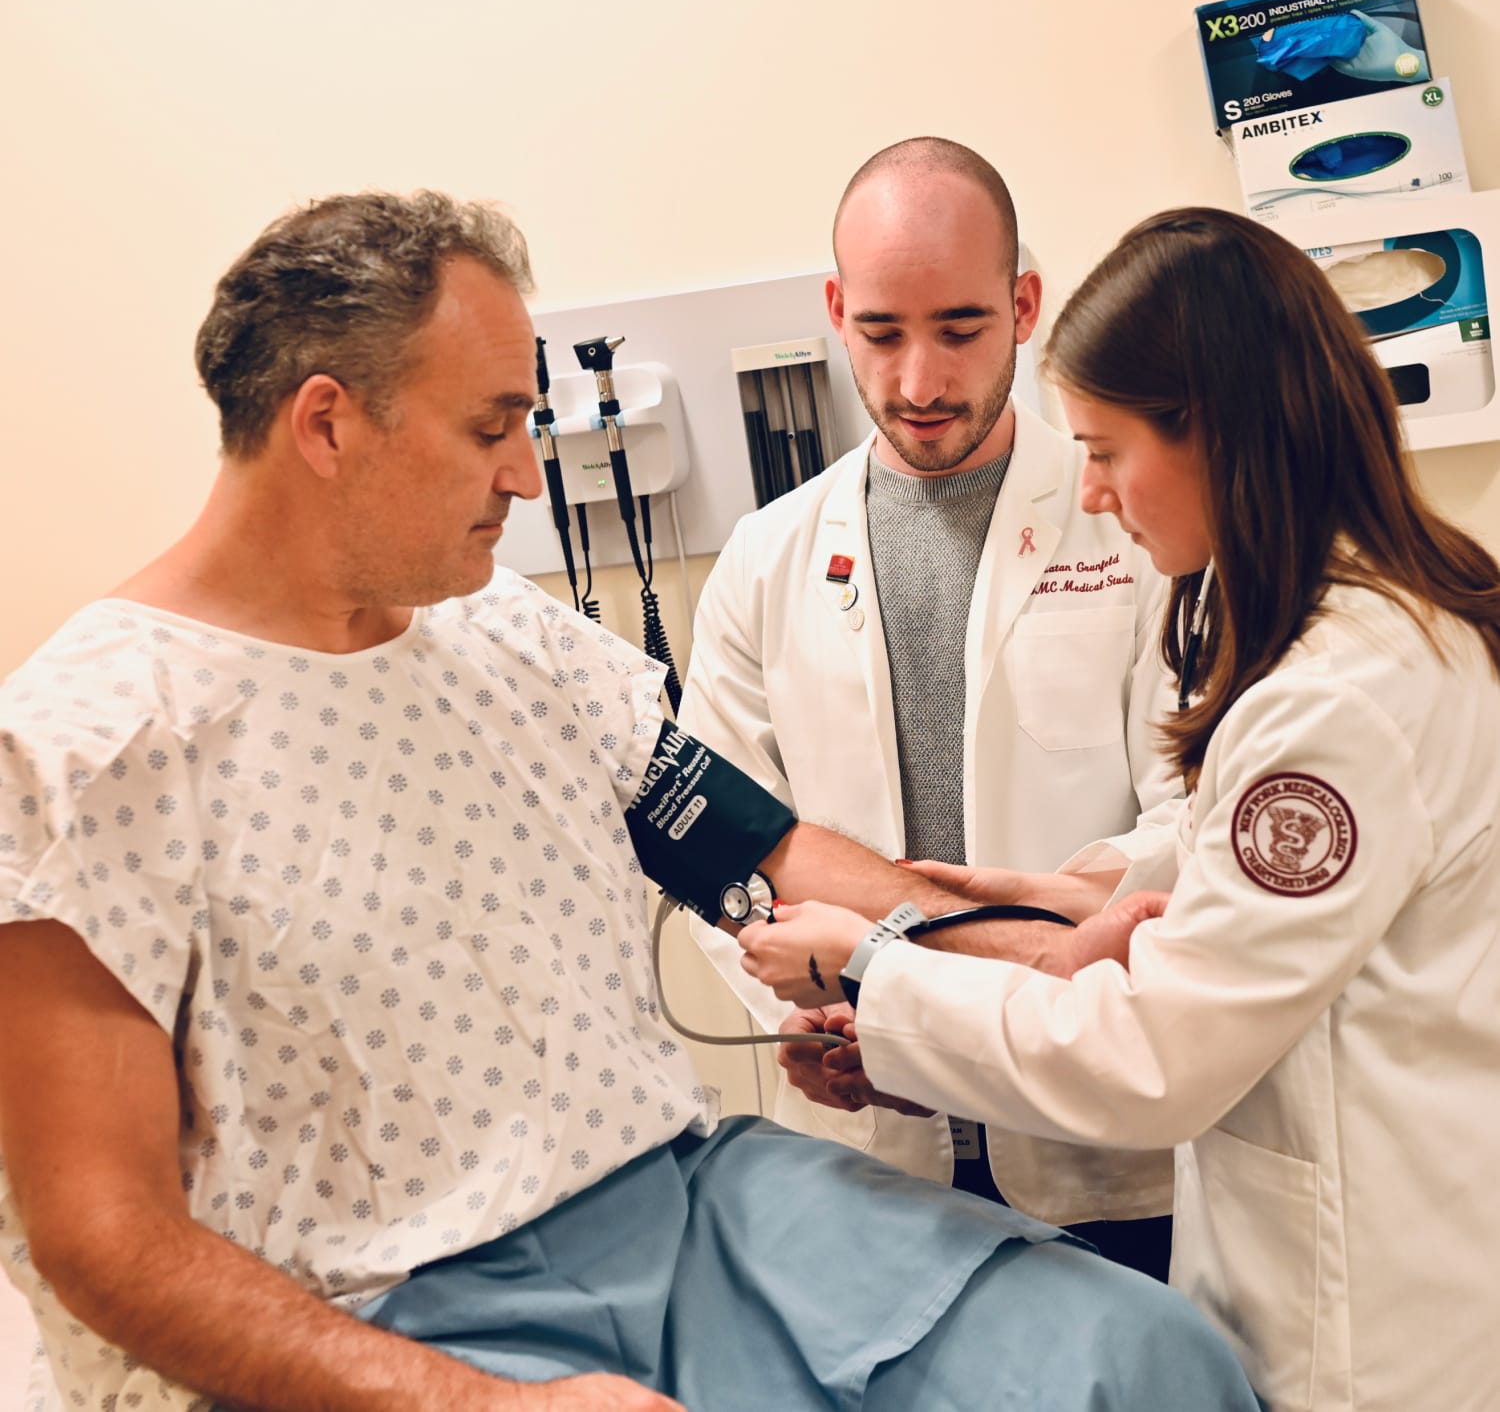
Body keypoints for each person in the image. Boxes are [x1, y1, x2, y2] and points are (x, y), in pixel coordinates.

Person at [0, 191, 1261, 1412]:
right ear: (328, 425)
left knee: (1134, 1361)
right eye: (491, 429)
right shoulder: (89, 752)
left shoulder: (511, 642)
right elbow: (103, 1239)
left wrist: (1048, 953)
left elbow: (758, 857)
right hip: (388, 1304)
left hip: (696, 1203)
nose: (525, 480)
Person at [739, 205, 1500, 1412]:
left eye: (1106, 449)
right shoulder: (1390, 620)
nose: (1090, 493)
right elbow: (1257, 893)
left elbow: (1156, 1058)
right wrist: (1073, 893)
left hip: (1371, 1329)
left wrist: (879, 965)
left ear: (1222, 436)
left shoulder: (1336, 701)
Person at [679, 137, 1179, 1275]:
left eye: (960, 330)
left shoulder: (1136, 525)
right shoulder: (765, 560)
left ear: (1024, 305)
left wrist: (970, 984)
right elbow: (722, 844)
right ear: (835, 309)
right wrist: (804, 1016)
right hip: (867, 1150)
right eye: (881, 333)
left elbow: (1190, 823)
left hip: (1102, 1142)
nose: (919, 382)